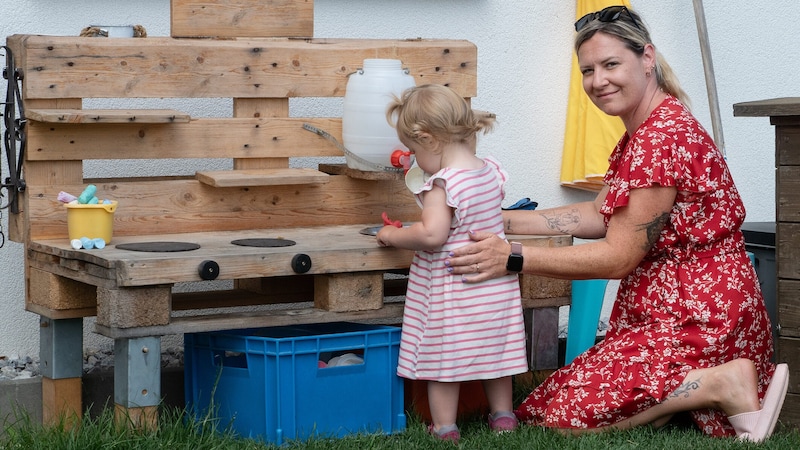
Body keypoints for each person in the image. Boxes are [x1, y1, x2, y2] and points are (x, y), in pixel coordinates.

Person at [443, 6, 788, 443]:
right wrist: (501, 217)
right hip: (687, 312)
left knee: (560, 416)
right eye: (588, 70)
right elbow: (599, 215)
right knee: (544, 404)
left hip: (698, 321)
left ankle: (719, 383)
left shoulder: (659, 140)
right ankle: (689, 395)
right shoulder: (646, 129)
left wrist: (511, 257)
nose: (598, 81)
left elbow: (619, 256)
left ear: (647, 57)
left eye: (610, 64)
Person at [376, 83, 529, 443]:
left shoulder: (442, 185)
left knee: (444, 360)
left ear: (428, 140)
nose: (415, 161)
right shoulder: (490, 171)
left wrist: (392, 236)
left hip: (454, 288)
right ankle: (503, 416)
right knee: (497, 352)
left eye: (414, 151)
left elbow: (433, 235)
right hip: (493, 288)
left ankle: (444, 427)